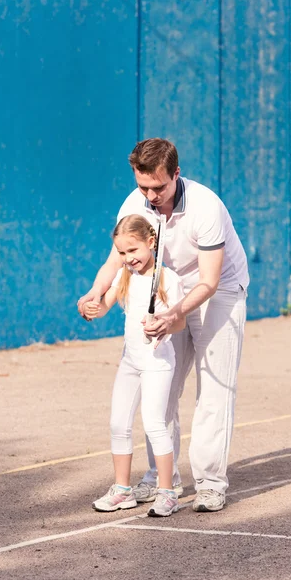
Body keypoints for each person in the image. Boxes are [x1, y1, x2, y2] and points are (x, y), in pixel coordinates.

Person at [78, 138, 249, 512]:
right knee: (163, 386)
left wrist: (174, 315)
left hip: (218, 291)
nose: (152, 195)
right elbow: (116, 259)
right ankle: (162, 479)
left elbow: (208, 281)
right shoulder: (133, 202)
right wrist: (95, 293)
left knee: (214, 390)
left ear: (176, 174)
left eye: (160, 186)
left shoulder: (205, 207)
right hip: (167, 290)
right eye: (144, 186)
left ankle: (209, 483)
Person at [83, 214, 186, 517]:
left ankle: (167, 493)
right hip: (130, 360)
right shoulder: (123, 277)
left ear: (151, 243)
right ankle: (122, 490)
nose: (129, 258)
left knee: (155, 424)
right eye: (122, 253)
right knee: (118, 423)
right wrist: (91, 306)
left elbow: (179, 323)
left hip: (157, 362)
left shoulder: (169, 279)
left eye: (134, 250)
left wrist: (163, 325)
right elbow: (103, 307)